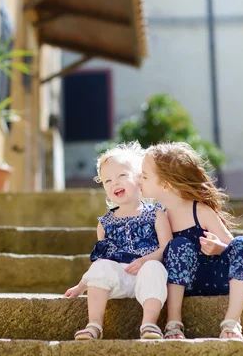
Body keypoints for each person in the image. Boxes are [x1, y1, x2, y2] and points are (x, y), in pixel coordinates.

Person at [141, 142, 243, 340]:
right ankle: (174, 322)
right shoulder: (155, 216)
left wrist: (219, 248)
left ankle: (232, 321)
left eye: (144, 176)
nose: (138, 180)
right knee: (178, 246)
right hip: (181, 284)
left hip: (215, 279)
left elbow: (233, 249)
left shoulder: (200, 211)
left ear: (166, 184)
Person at [64, 141, 173, 340]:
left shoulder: (156, 215)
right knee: (103, 265)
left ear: (140, 179)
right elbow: (101, 262)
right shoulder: (105, 223)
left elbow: (167, 247)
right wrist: (82, 285)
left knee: (155, 268)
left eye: (122, 176)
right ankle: (94, 325)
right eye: (108, 181)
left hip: (146, 276)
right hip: (118, 280)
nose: (115, 183)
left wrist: (144, 260)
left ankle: (149, 324)